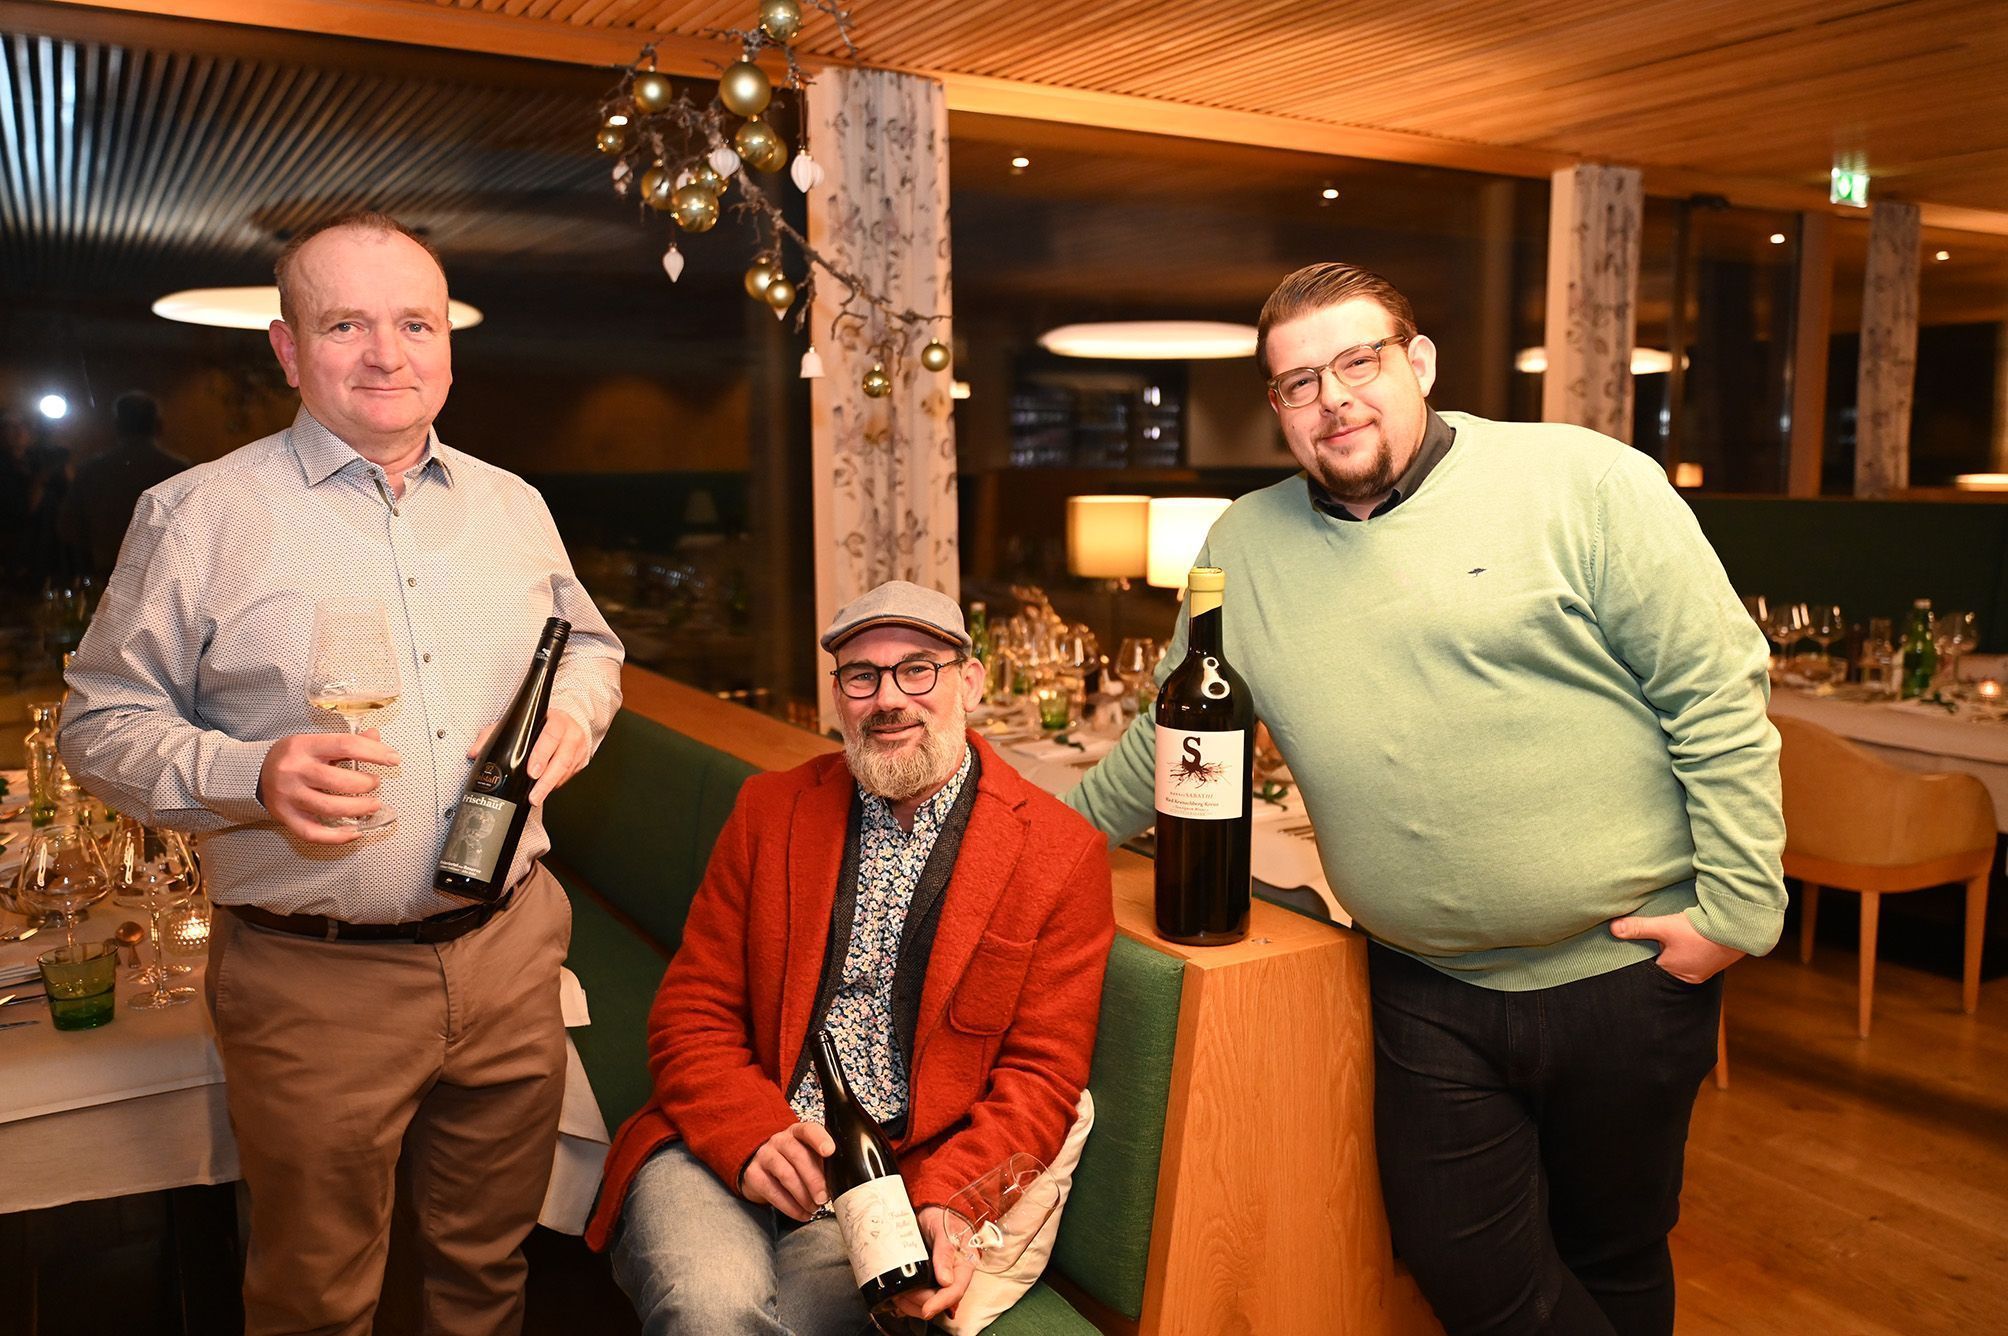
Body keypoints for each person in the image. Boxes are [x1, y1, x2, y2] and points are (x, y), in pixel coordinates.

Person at [1063, 263, 1785, 1336]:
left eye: (1358, 361)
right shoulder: (1243, 545)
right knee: (1467, 1269)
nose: (1334, 398)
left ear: (1419, 364)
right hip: (1420, 989)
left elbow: (1716, 693)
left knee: (1615, 1253)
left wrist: (1735, 912)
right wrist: (1019, 838)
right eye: (1299, 381)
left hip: (1625, 974)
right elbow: (1173, 744)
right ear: (1276, 408)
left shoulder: (1586, 481)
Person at [59, 211, 624, 1336]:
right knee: (315, 1295)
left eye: (414, 322)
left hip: (512, 956)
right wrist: (247, 771)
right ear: (287, 348)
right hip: (312, 984)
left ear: (448, 343)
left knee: (486, 1275)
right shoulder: (198, 516)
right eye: (346, 325)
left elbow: (594, 648)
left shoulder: (516, 508)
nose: (387, 354)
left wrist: (574, 706)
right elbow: (99, 723)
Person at [589, 580, 1114, 1335]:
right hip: (722, 1142)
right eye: (861, 676)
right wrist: (754, 1134)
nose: (888, 698)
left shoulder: (1058, 856)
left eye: (918, 669)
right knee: (709, 1306)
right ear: (839, 697)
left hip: (889, 1187)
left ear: (969, 681)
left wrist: (951, 1204)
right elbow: (692, 1011)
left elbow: (1041, 1075)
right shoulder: (770, 812)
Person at [59, 390, 186, 581]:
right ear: (159, 426)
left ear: (117, 426)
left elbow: (68, 527)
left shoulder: (92, 470)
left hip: (111, 571)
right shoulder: (180, 470)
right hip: (167, 572)